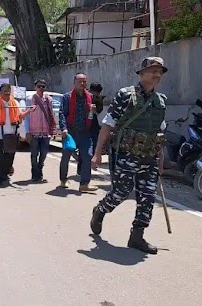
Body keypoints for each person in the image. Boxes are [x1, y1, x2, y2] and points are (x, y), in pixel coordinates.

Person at [90, 57, 169, 254]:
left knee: (148, 196)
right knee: (121, 192)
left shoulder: (161, 101)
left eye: (160, 71)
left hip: (149, 156)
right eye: (153, 70)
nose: (157, 74)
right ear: (141, 74)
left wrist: (160, 160)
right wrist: (97, 154)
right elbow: (108, 124)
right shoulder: (125, 95)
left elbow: (159, 133)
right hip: (126, 154)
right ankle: (100, 210)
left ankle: (137, 237)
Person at [0, 83, 33, 187]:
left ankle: (4, 176)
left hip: (11, 134)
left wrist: (29, 111)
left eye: (8, 91)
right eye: (4, 91)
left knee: (9, 157)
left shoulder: (15, 102)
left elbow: (20, 116)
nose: (7, 93)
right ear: (0, 93)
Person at [59, 73, 99, 193]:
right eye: (80, 81)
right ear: (74, 83)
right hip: (70, 132)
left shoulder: (90, 97)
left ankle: (84, 184)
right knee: (66, 156)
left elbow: (91, 117)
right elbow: (62, 113)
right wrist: (64, 129)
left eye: (84, 81)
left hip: (85, 132)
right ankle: (63, 179)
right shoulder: (67, 97)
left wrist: (92, 111)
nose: (82, 84)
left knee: (87, 155)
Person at [23, 79, 57, 183]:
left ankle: (39, 169)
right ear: (35, 87)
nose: (41, 88)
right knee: (34, 154)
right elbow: (26, 116)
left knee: (44, 153)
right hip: (34, 131)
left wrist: (52, 129)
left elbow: (51, 114)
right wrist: (27, 131)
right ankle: (35, 174)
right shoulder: (30, 99)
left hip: (45, 131)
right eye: (39, 86)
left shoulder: (49, 99)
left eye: (43, 86)